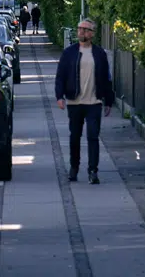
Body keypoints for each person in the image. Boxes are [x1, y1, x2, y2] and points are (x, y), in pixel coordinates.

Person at [54, 18, 115, 185]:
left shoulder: (99, 53)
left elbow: (106, 78)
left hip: (94, 102)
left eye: (86, 29)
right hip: (74, 101)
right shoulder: (69, 53)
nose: (81, 32)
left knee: (93, 136)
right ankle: (74, 168)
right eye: (80, 28)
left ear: (92, 34)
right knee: (75, 137)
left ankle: (93, 171)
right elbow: (60, 76)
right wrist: (59, 97)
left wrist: (109, 101)